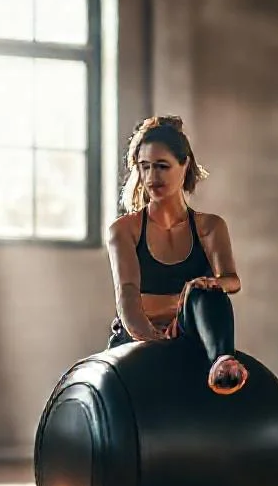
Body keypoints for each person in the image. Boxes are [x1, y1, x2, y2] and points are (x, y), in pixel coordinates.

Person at [105, 115, 248, 395]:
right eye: (144, 167)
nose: (151, 177)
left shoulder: (210, 226)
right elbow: (128, 297)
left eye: (161, 166)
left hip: (188, 330)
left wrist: (205, 285)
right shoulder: (124, 229)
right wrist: (156, 341)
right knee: (198, 291)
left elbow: (233, 281)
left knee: (206, 291)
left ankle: (223, 362)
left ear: (185, 165)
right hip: (139, 335)